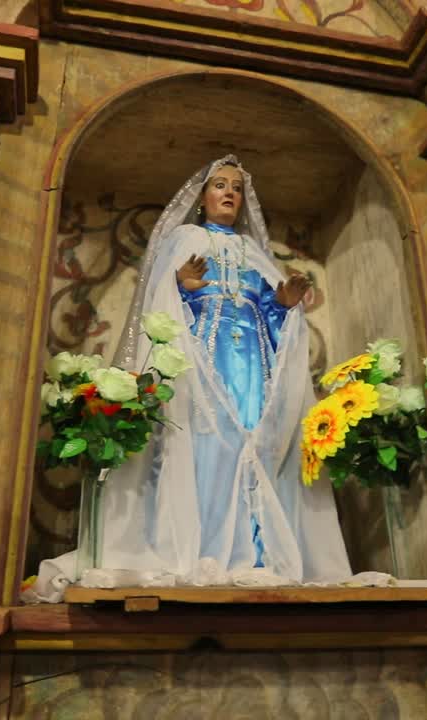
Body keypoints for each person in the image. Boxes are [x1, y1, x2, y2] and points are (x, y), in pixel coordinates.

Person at [25, 155, 352, 602]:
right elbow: (158, 306)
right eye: (219, 185)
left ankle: (258, 556)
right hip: (202, 361)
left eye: (235, 187)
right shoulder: (186, 237)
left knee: (256, 445)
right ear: (202, 197)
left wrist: (283, 304)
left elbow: (270, 313)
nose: (229, 193)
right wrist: (179, 285)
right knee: (208, 449)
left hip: (254, 367)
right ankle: (205, 551)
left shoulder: (255, 252)